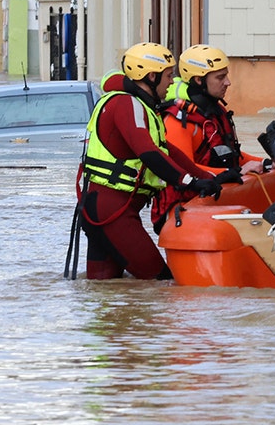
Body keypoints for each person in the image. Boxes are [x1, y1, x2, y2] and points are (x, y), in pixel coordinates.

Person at [77, 42, 222, 280]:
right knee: (162, 283)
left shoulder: (141, 105)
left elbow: (167, 151)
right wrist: (188, 182)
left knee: (104, 291)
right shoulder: (126, 104)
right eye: (168, 76)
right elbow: (148, 153)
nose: (172, 83)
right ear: (151, 77)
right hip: (113, 211)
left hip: (104, 207)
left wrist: (208, 178)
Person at [150, 44, 272, 232]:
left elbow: (232, 155)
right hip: (183, 207)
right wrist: (232, 172)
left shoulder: (215, 112)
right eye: (220, 77)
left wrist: (265, 163)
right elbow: (181, 169)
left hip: (212, 199)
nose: (228, 82)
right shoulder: (178, 120)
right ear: (199, 80)